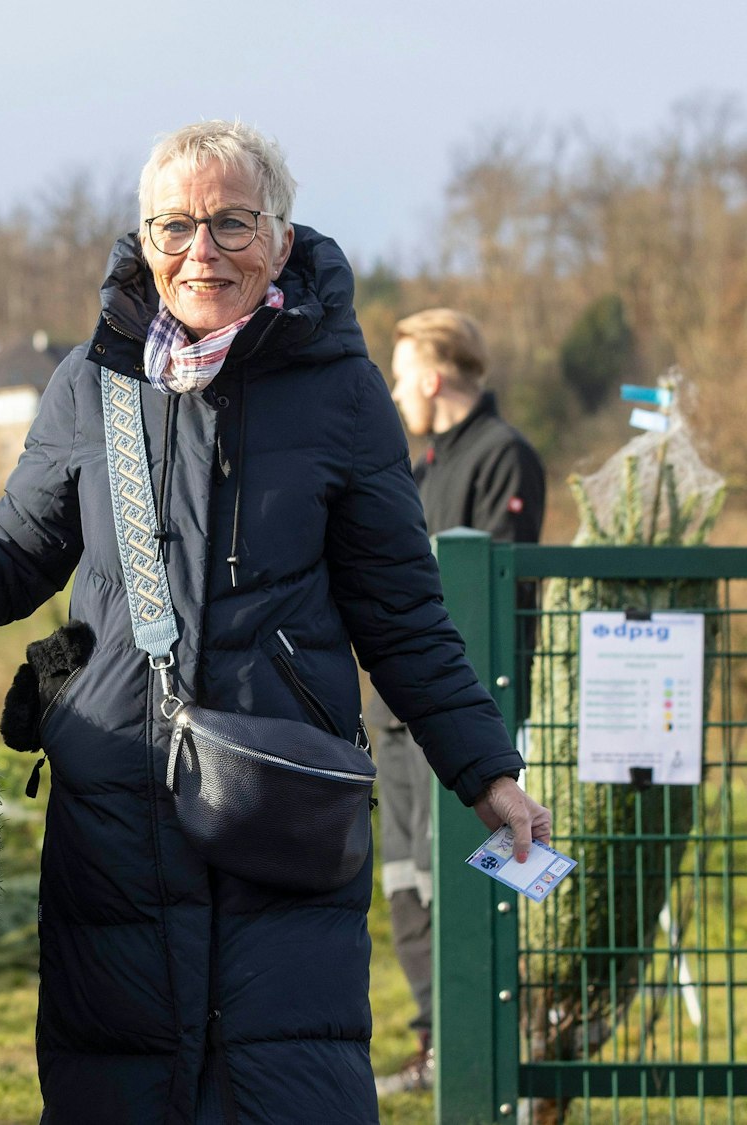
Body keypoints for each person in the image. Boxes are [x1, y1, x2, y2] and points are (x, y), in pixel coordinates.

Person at [0, 121, 552, 1122]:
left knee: (282, 1085)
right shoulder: (90, 384)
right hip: (117, 814)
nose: (200, 251)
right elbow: (15, 547)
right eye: (173, 226)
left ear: (280, 240)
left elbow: (400, 612)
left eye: (229, 223)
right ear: (140, 239)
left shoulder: (343, 395)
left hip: (283, 807)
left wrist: (486, 773)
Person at [371, 307, 546, 1096]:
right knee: (406, 878)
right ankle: (434, 1039)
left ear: (433, 378)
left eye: (402, 374)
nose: (397, 390)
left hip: (458, 720)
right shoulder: (414, 470)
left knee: (460, 882)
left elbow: (489, 596)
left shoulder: (504, 457)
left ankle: (481, 1040)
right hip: (391, 723)